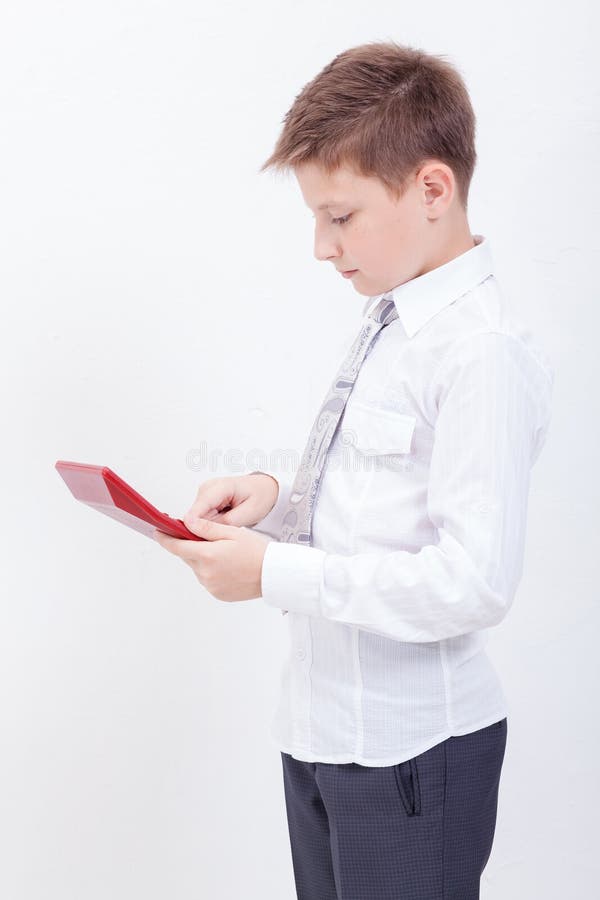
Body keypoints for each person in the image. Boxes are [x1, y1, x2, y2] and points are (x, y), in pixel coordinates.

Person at [153, 40, 554, 900]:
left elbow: (474, 583)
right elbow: (379, 502)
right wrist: (274, 504)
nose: (320, 247)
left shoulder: (478, 353)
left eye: (340, 217)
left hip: (411, 753)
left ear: (432, 190)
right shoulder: (394, 316)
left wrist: (275, 574)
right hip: (325, 731)